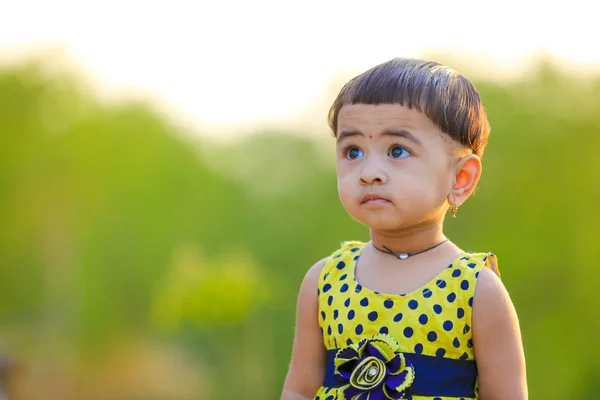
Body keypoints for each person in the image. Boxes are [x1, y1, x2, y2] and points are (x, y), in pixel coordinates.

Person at [281, 58, 527, 400]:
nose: (369, 171)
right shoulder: (325, 282)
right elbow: (299, 390)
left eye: (397, 150)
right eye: (353, 151)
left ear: (461, 178)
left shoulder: (476, 292)